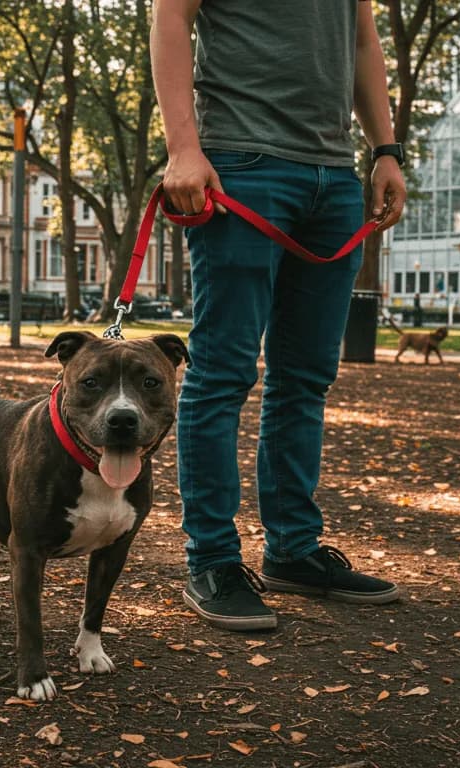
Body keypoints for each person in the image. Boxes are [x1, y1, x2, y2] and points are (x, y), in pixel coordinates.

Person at [152, 0, 407, 632]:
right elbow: (170, 18)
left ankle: (293, 550)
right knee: (222, 373)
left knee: (306, 378)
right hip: (240, 165)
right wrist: (183, 147)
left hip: (334, 178)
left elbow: (362, 42)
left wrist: (385, 150)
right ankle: (211, 559)